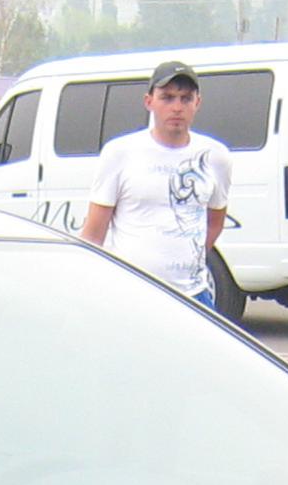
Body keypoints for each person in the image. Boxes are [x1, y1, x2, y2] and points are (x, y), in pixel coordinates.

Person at [80, 61, 232, 309]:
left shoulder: (216, 157)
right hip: (132, 294)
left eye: (185, 99)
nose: (177, 107)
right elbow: (93, 234)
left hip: (194, 295)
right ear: (149, 101)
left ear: (197, 103)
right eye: (167, 98)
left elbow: (214, 222)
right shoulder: (119, 153)